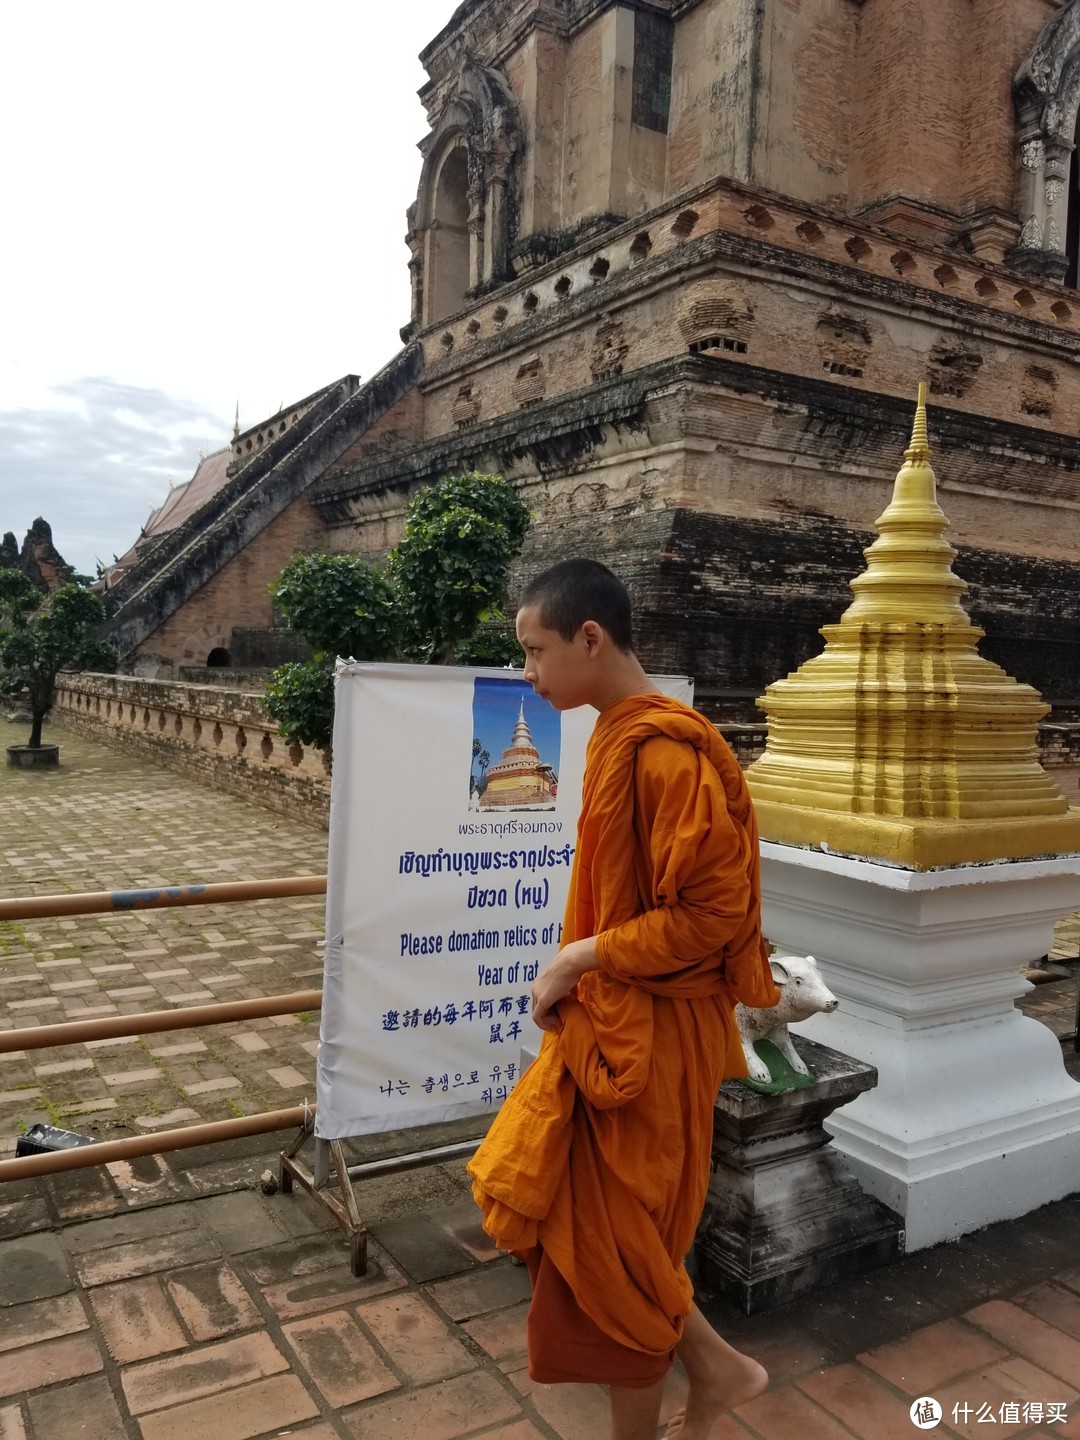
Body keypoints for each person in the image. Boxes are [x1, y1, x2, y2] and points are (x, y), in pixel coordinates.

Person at [468, 558, 778, 1440]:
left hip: (653, 1036)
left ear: (590, 639)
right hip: (614, 1024)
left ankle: (703, 1385)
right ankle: (718, 1371)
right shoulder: (613, 734)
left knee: (620, 1250)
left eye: (534, 652)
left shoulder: (662, 755)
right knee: (602, 1236)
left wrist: (580, 958)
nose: (527, 674)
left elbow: (713, 919)